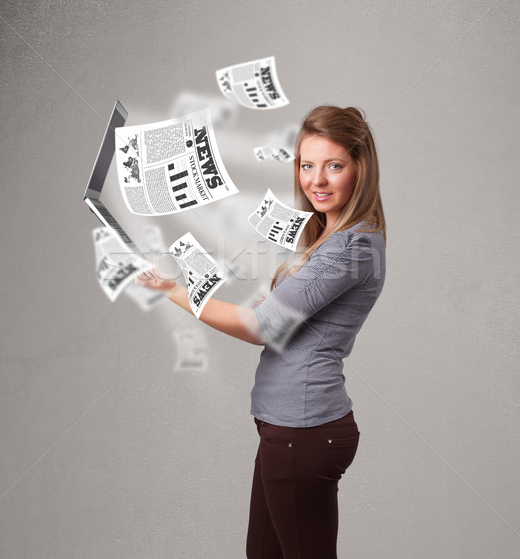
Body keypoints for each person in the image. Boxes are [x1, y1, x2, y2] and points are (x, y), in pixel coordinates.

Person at [136, 105, 386, 559]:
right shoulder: (328, 237)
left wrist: (173, 289)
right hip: (287, 429)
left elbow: (258, 328)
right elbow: (280, 315)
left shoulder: (353, 246)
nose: (318, 181)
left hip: (304, 431)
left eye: (334, 165)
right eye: (307, 166)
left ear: (360, 169)